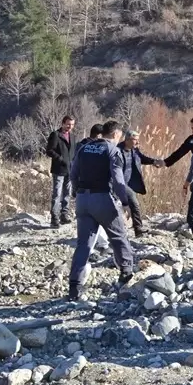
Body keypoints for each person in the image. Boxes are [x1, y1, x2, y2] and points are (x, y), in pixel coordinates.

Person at [68, 120, 135, 302]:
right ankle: (127, 273)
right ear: (115, 135)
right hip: (102, 198)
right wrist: (125, 202)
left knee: (84, 244)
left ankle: (75, 287)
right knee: (118, 236)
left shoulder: (84, 148)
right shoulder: (113, 151)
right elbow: (118, 180)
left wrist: (77, 193)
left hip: (82, 199)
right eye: (120, 136)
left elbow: (73, 174)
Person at [118, 130, 163, 237]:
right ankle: (137, 229)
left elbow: (141, 158)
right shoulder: (118, 151)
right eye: (135, 140)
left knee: (133, 205)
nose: (137, 142)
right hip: (120, 183)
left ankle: (137, 230)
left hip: (131, 182)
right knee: (133, 202)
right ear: (127, 139)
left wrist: (154, 161)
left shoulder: (135, 150)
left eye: (138, 139)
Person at [45, 115, 76, 228]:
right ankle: (54, 218)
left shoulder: (72, 136)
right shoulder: (56, 135)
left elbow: (73, 152)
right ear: (63, 123)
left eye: (72, 124)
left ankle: (64, 215)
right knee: (57, 194)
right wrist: (60, 159)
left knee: (67, 193)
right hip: (59, 169)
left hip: (70, 169)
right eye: (68, 124)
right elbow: (49, 151)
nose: (70, 127)